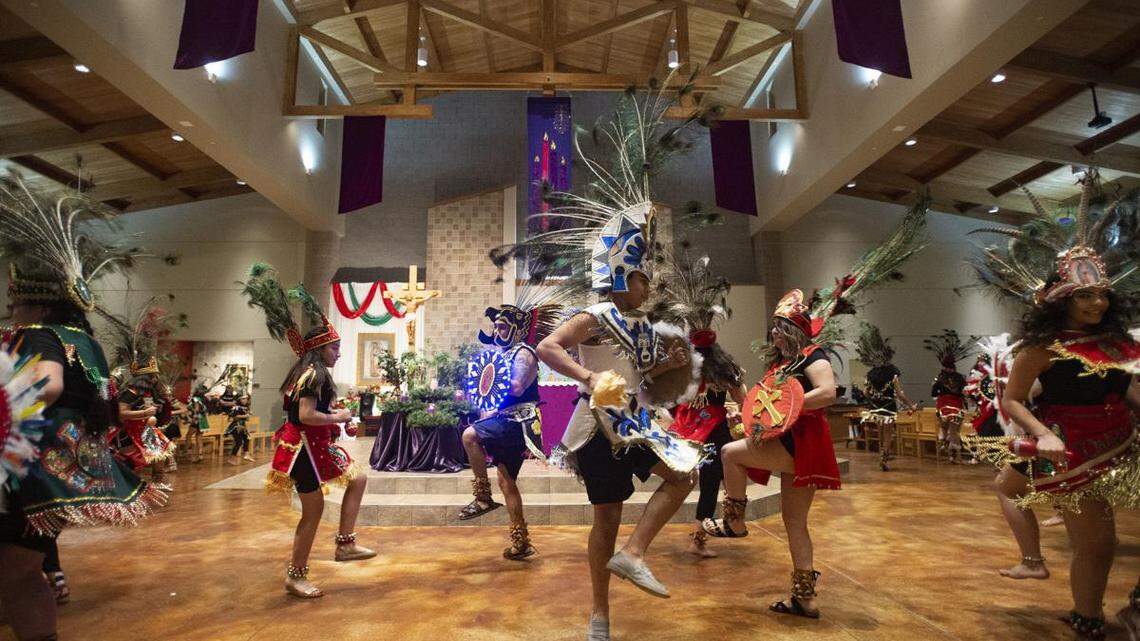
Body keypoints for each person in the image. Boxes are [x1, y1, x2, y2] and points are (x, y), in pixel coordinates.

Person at [974, 175, 1140, 639]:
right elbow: (1011, 399)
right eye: (1086, 294)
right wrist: (1043, 434)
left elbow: (1122, 390)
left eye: (1103, 293)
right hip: (1072, 450)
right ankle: (1088, 618)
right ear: (1062, 300)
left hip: (1124, 443)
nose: (1097, 302)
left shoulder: (1113, 342)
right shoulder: (1041, 349)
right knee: (1099, 544)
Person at [0, 175, 164, 641]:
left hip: (28, 472)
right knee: (21, 572)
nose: (10, 309)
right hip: (61, 470)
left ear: (26, 298)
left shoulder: (36, 334)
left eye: (13, 300)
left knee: (16, 573)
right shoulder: (83, 339)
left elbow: (47, 386)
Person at [702, 289, 841, 618]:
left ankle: (734, 521)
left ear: (792, 328)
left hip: (801, 443)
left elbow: (828, 392)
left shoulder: (811, 355)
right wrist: (753, 416)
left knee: (730, 453)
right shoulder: (783, 363)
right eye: (773, 327)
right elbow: (766, 405)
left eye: (779, 327)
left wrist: (786, 407)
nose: (774, 332)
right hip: (794, 442)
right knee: (794, 523)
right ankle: (805, 599)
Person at [240, 263, 375, 599]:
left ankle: (345, 543)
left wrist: (336, 417)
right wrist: (338, 415)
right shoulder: (312, 375)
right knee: (312, 513)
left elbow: (316, 414)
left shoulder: (312, 372)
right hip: (302, 450)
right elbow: (306, 415)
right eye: (334, 347)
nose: (339, 351)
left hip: (314, 446)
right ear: (319, 350)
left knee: (357, 478)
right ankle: (296, 575)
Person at [648, 250, 746, 558]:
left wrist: (738, 416)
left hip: (701, 432)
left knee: (702, 479)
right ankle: (696, 536)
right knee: (701, 480)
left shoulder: (702, 368)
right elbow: (743, 398)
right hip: (700, 432)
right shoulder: (710, 368)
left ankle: (695, 537)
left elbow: (743, 398)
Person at [458, 292, 562, 560]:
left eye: (504, 326)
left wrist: (488, 386)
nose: (498, 330)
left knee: (469, 435)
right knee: (506, 482)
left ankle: (482, 496)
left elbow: (515, 386)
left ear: (517, 329)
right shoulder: (502, 353)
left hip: (517, 422)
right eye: (497, 326)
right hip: (504, 419)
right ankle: (521, 543)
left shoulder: (524, 352)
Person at [857, 322, 915, 471]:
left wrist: (874, 398)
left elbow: (865, 392)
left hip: (875, 407)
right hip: (889, 407)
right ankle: (884, 456)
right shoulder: (893, 373)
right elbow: (900, 394)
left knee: (881, 431)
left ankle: (882, 454)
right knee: (889, 433)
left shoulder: (870, 374)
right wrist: (910, 405)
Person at [925, 329, 974, 464]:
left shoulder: (940, 378)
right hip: (956, 405)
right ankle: (952, 452)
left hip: (944, 405)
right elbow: (966, 391)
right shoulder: (960, 378)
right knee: (954, 429)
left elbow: (934, 393)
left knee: (947, 428)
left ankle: (947, 447)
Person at [226, 394, 253, 465]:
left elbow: (247, 419)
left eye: (246, 399)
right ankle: (231, 458)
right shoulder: (236, 407)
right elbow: (234, 417)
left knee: (247, 438)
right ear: (239, 400)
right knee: (239, 442)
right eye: (243, 399)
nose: (245, 400)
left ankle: (246, 454)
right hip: (236, 426)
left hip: (242, 426)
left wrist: (248, 416)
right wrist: (245, 415)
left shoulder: (245, 408)